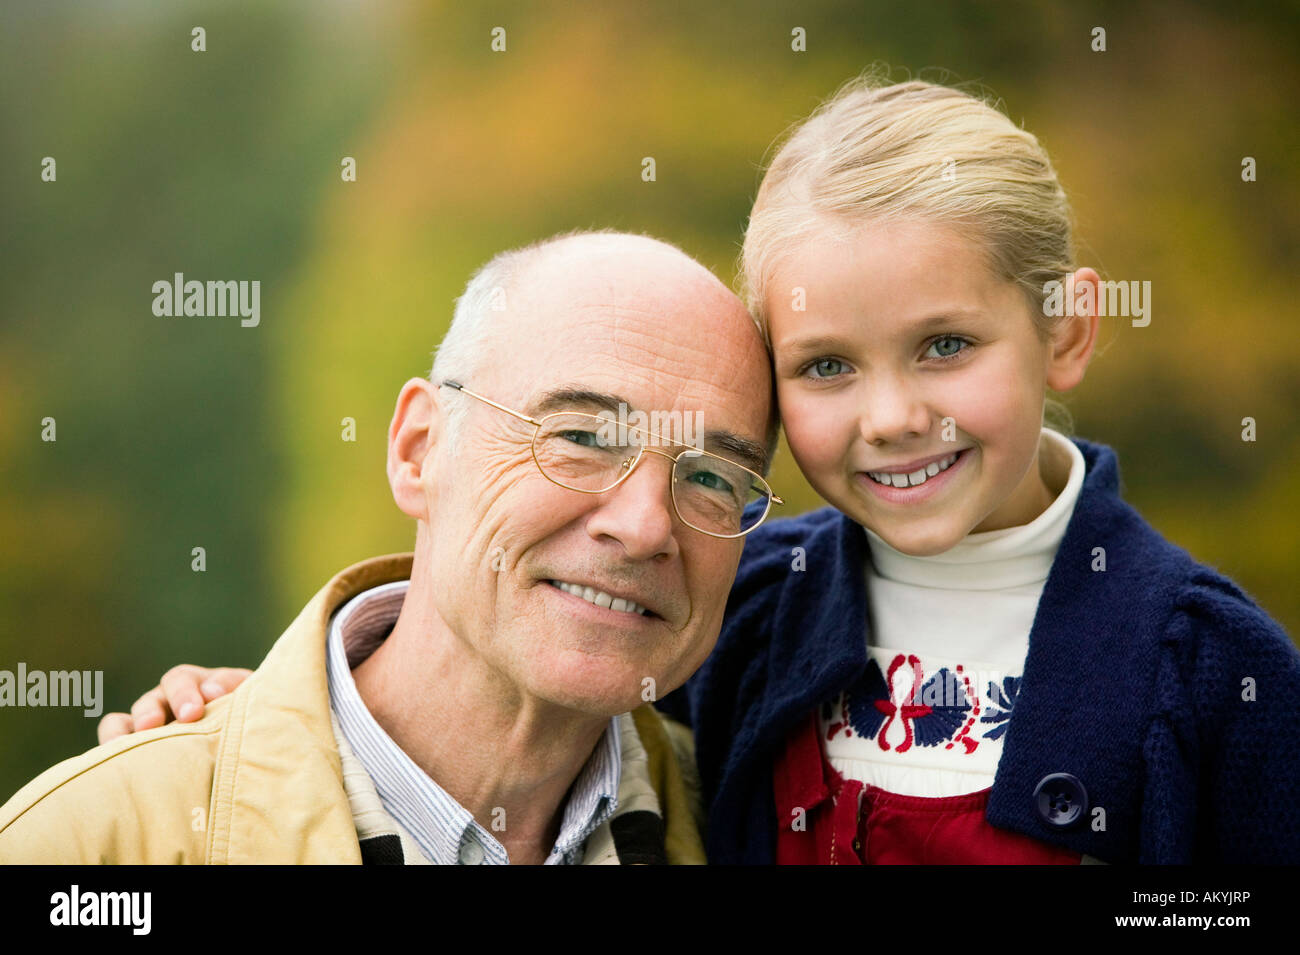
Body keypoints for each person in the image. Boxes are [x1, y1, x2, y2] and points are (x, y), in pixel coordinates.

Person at [103, 75, 1300, 865]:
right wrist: (257, 719)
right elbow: (508, 658)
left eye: (944, 345)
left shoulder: (1210, 672)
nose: (891, 416)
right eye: (826, 366)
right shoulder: (746, 606)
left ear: (1067, 329)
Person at [0, 230, 781, 865]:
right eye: (579, 436)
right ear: (418, 449)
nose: (646, 525)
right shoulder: (95, 847)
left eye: (713, 475)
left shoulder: (764, 825)